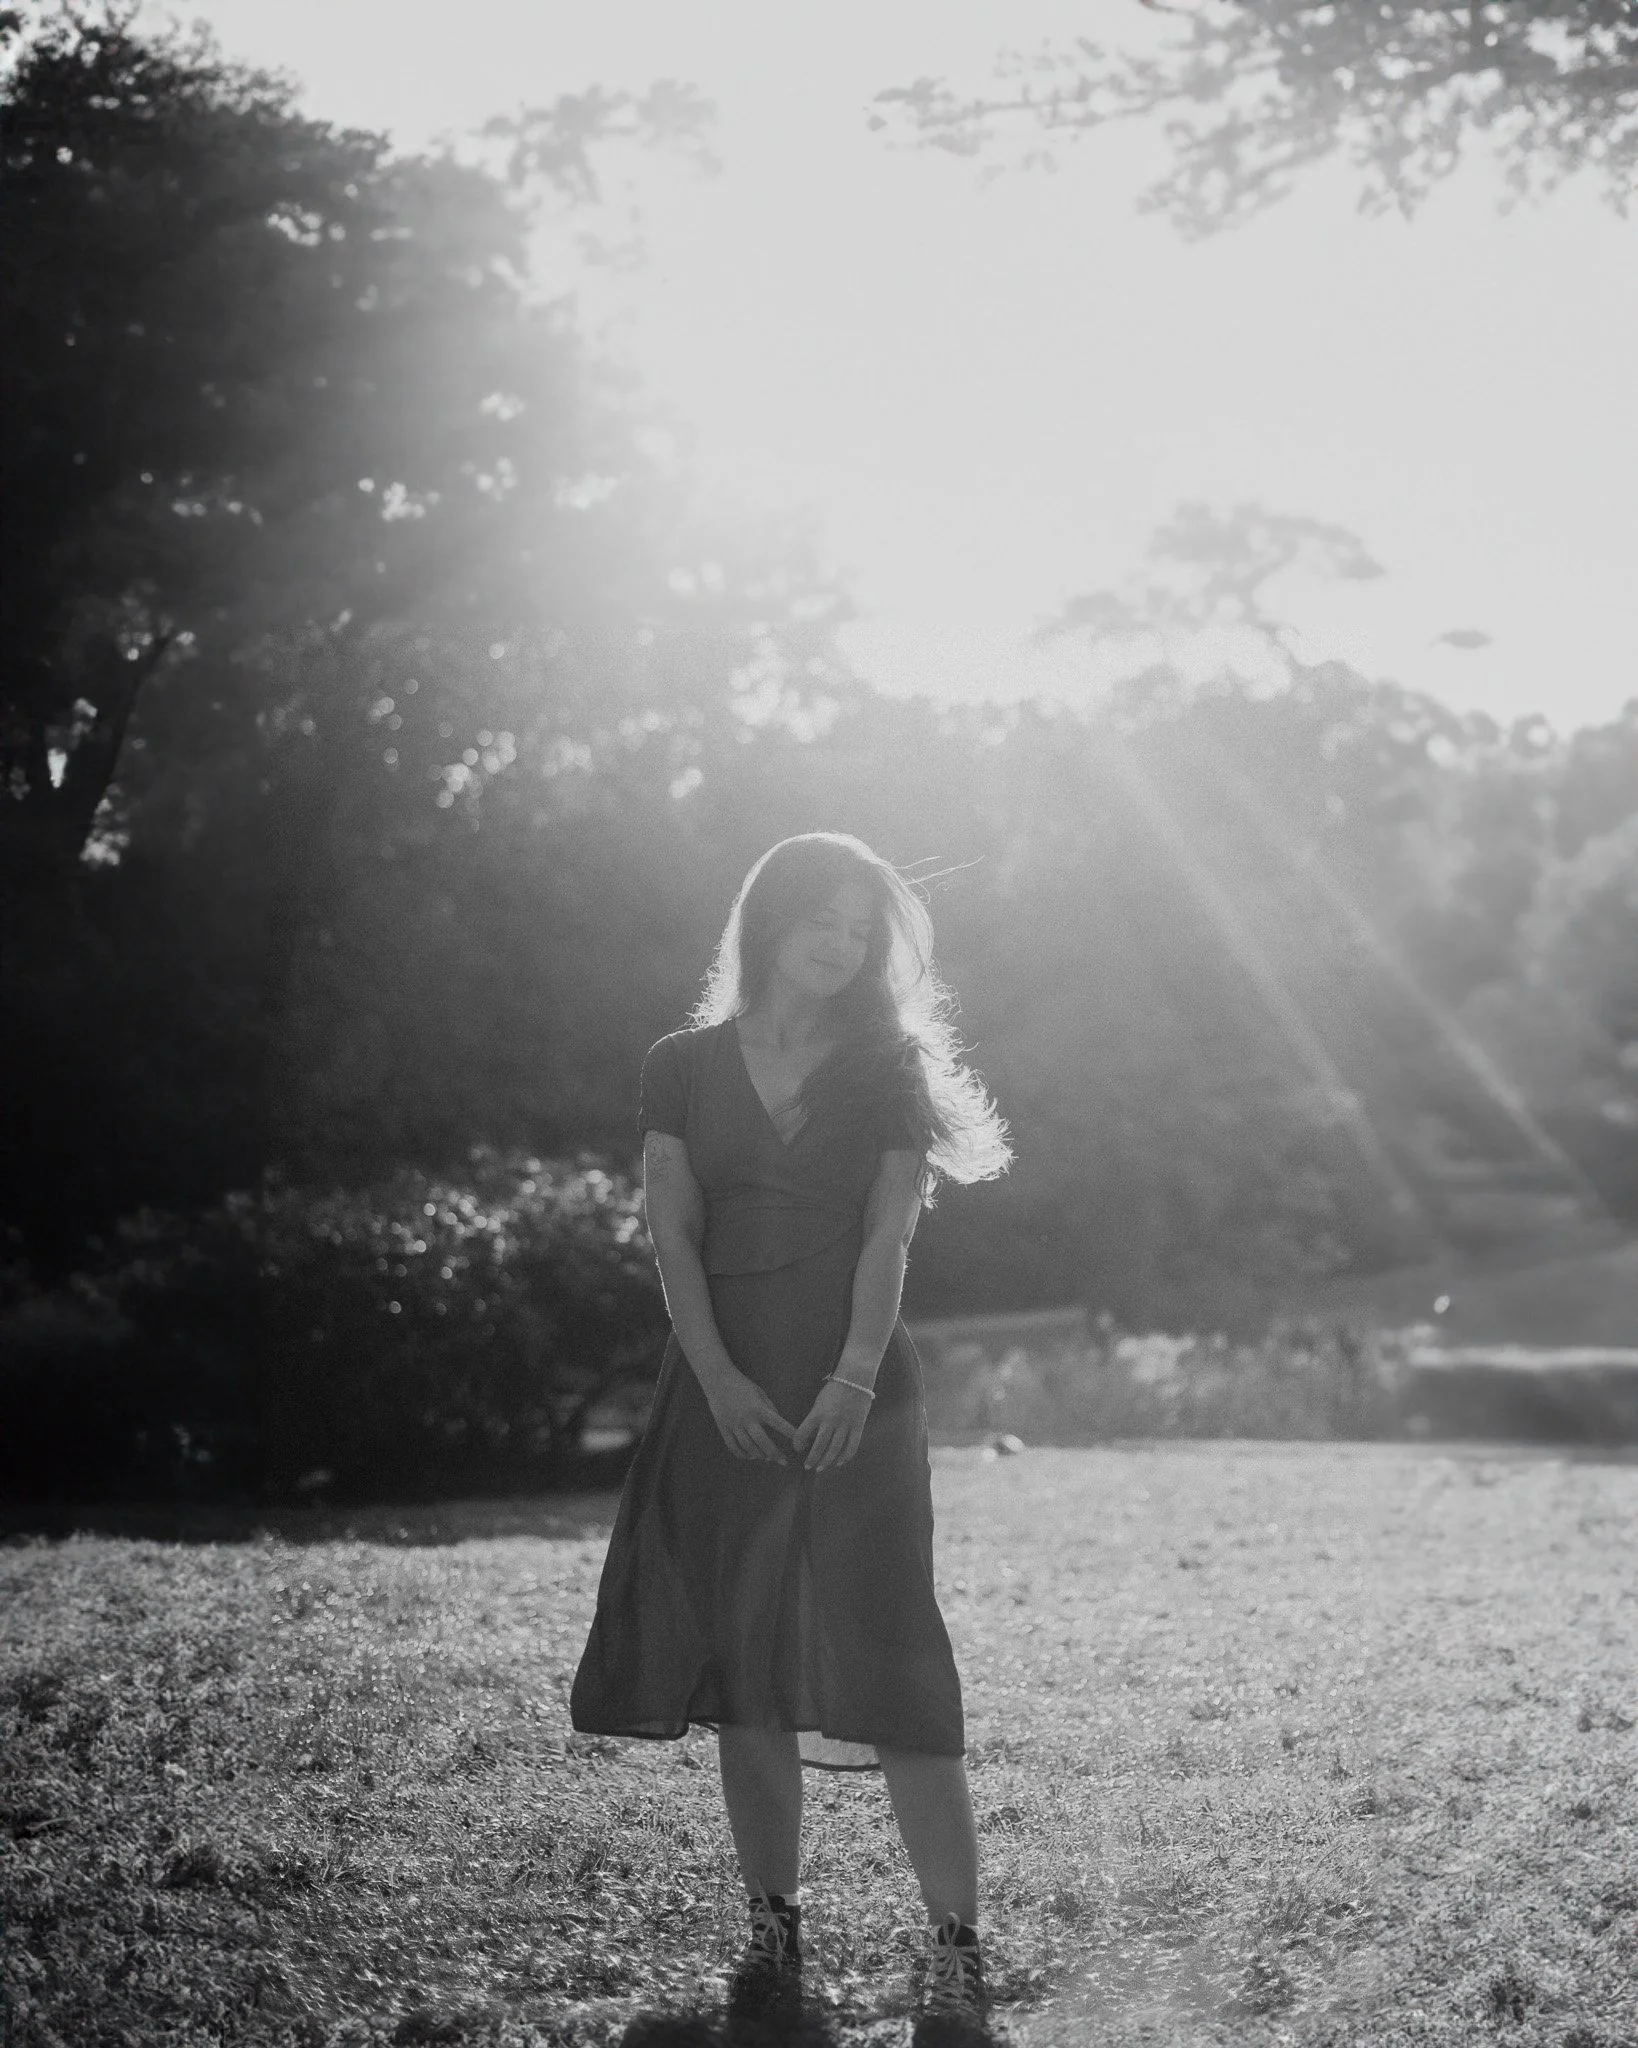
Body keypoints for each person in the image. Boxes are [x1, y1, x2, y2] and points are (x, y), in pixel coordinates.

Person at [570, 831, 1011, 2032]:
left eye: (860, 926)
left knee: (892, 1652)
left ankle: (958, 1944)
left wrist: (856, 1379)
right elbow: (674, 1233)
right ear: (767, 922)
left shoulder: (889, 1069)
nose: (841, 940)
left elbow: (888, 1239)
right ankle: (773, 1924)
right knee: (745, 1665)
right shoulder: (681, 1065)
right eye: (820, 917)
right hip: (723, 1391)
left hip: (855, 1392)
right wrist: (713, 1380)